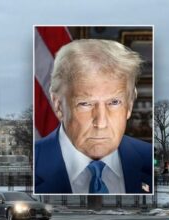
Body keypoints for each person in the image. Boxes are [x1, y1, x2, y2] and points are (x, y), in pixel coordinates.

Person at [34, 39, 152, 194]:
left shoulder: (149, 158)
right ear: (58, 105)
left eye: (114, 102)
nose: (101, 122)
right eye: (85, 104)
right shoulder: (33, 163)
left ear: (129, 105)